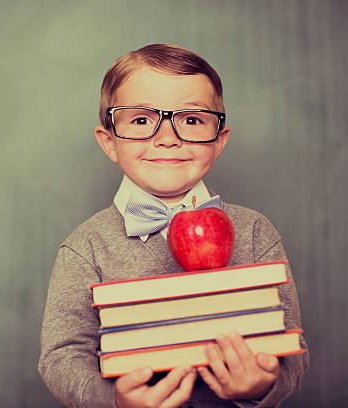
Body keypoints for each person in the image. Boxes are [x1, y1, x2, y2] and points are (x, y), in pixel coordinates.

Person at [38, 44, 309, 408]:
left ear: (220, 140)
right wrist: (113, 400)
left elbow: (291, 348)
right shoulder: (85, 246)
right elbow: (62, 355)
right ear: (109, 142)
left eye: (192, 120)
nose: (167, 137)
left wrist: (261, 386)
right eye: (140, 120)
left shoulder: (255, 230)